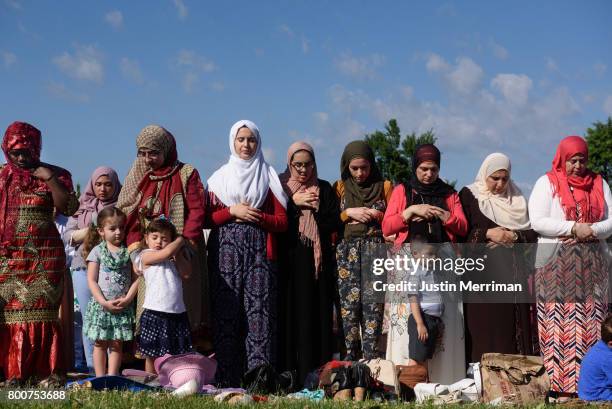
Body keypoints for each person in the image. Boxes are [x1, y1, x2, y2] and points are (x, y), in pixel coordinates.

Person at [206, 120, 288, 386]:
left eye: (251, 139)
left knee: (259, 315)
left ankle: (259, 380)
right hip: (224, 251)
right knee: (226, 313)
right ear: (232, 142)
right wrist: (232, 211)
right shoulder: (219, 179)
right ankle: (226, 380)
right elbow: (208, 218)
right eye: (241, 139)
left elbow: (282, 221)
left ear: (258, 143)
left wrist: (255, 216)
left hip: (259, 253)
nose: (246, 145)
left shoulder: (267, 176)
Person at [528, 135, 611, 395]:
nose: (577, 166)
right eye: (572, 161)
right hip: (556, 265)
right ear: (562, 159)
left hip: (593, 266)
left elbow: (611, 221)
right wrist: (573, 227)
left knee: (591, 320)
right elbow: (538, 221)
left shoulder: (599, 183)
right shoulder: (547, 182)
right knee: (558, 323)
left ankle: (590, 384)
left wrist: (591, 230)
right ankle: (559, 387)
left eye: (582, 160)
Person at [381, 143, 467, 384]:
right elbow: (387, 226)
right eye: (423, 169)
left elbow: (462, 226)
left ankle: (444, 380)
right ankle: (407, 380)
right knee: (408, 315)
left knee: (444, 318)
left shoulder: (449, 193)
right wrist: (410, 211)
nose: (429, 174)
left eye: (434, 169)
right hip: (409, 261)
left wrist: (442, 214)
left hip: (442, 263)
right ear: (415, 167)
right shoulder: (402, 190)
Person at [0, 121, 78, 383]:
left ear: (36, 149)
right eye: (15, 153)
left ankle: (48, 372)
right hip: (9, 256)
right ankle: (15, 374)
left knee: (43, 311)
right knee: (12, 313)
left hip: (45, 255)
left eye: (26, 152)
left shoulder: (56, 173)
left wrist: (50, 179)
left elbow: (68, 207)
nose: (21, 158)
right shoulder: (1, 176)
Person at [117, 125, 207, 343]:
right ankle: (152, 367)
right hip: (150, 255)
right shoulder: (138, 175)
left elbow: (197, 210)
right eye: (143, 153)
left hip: (182, 252)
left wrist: (183, 244)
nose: (148, 159)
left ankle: (185, 362)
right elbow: (127, 214)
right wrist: (136, 252)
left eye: (154, 153)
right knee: (151, 304)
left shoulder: (186, 173)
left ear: (166, 150)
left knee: (183, 303)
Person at [459, 153, 538, 363]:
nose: (500, 183)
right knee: (484, 329)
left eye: (505, 178)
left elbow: (532, 233)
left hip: (512, 274)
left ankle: (515, 382)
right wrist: (486, 233)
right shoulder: (469, 196)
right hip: (481, 279)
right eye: (495, 178)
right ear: (485, 174)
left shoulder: (518, 199)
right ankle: (482, 381)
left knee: (510, 330)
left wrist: (513, 235)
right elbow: (459, 234)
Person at [277, 141, 340, 385]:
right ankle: (293, 374)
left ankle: (320, 375)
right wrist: (295, 204)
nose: (303, 170)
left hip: (318, 266)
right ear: (290, 164)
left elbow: (334, 222)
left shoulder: (323, 188)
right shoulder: (281, 189)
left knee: (318, 318)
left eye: (308, 164)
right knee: (294, 317)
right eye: (298, 165)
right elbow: (279, 224)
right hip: (292, 264)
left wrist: (314, 208)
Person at [334, 140, 393, 361]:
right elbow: (331, 221)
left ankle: (371, 363)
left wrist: (380, 216)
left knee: (373, 308)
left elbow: (395, 218)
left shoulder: (385, 186)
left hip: (375, 250)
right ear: (346, 166)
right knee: (349, 309)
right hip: (346, 253)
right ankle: (350, 362)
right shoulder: (339, 187)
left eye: (365, 167)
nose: (360, 173)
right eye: (354, 168)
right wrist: (348, 212)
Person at [65, 166, 122, 373]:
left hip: (113, 269)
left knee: (111, 317)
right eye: (98, 184)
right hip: (82, 266)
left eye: (108, 184)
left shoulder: (122, 206)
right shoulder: (83, 205)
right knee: (90, 318)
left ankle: (111, 370)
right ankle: (92, 367)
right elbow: (67, 236)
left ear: (115, 185)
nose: (103, 189)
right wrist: (90, 229)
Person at [83, 207, 138, 377]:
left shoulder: (129, 252)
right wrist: (103, 302)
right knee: (100, 343)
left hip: (122, 307)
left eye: (121, 227)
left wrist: (128, 299)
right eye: (112, 228)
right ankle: (100, 378)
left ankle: (113, 376)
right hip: (102, 307)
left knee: (116, 343)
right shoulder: (97, 252)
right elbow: (92, 280)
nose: (118, 232)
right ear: (101, 231)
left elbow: (137, 279)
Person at [135, 218, 193, 374]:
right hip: (154, 312)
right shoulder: (145, 255)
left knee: (176, 353)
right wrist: (180, 240)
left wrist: (178, 254)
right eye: (154, 237)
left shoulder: (173, 258)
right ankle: (151, 382)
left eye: (164, 238)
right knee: (151, 353)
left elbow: (187, 274)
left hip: (177, 312)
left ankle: (172, 381)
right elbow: (165, 252)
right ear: (146, 239)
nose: (159, 242)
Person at [406, 239, 444, 371]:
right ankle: (409, 389)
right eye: (429, 254)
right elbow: (413, 299)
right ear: (416, 254)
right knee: (416, 359)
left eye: (435, 255)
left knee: (424, 358)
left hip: (431, 321)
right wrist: (420, 324)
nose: (433, 258)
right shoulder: (415, 274)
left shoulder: (432, 273)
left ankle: (423, 388)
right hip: (422, 319)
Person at [577, 315, 612, 401]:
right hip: (597, 397)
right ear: (611, 343)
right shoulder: (608, 358)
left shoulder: (600, 346)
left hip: (587, 394)